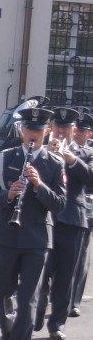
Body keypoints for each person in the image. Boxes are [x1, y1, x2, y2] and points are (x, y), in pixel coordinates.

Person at [0, 107, 66, 340]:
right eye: (30, 130)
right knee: (1, 290)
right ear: (22, 131)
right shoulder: (5, 157)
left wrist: (39, 185)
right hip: (7, 235)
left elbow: (60, 204)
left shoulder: (54, 163)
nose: (34, 135)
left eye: (39, 131)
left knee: (28, 298)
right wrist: (8, 195)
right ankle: (9, 330)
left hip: (37, 238)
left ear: (46, 132)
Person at [34, 108, 93, 340]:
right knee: (41, 273)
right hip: (46, 220)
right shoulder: (41, 151)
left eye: (65, 128)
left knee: (66, 276)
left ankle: (57, 323)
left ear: (74, 130)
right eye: (57, 127)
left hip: (73, 220)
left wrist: (72, 159)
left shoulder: (85, 153)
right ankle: (36, 316)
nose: (60, 132)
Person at [71, 113, 93, 317]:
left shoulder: (90, 153)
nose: (78, 134)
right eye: (76, 130)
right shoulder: (58, 149)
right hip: (60, 208)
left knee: (80, 257)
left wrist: (73, 160)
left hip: (86, 210)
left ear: (89, 134)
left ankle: (72, 300)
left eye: (82, 131)